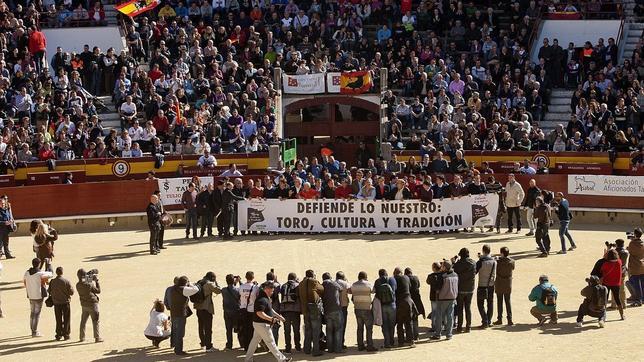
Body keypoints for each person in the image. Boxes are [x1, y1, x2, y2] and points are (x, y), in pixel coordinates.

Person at [245, 282, 291, 362]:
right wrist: (271, 319)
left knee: (254, 342)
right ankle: (282, 360)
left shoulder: (264, 298)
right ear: (267, 289)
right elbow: (259, 313)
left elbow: (270, 310)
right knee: (271, 342)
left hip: (258, 324)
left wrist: (279, 317)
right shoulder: (262, 299)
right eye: (271, 291)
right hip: (262, 324)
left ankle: (248, 359)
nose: (272, 292)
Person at [167, 275, 199, 355]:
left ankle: (175, 346)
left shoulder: (172, 289)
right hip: (180, 314)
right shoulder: (183, 289)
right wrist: (190, 283)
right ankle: (178, 350)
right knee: (180, 333)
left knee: (175, 330)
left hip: (174, 312)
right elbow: (196, 289)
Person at [24, 257, 53, 337]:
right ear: (39, 264)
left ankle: (32, 330)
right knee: (36, 314)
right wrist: (49, 264)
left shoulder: (27, 272)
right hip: (38, 296)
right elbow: (51, 274)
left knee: (32, 313)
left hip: (30, 295)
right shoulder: (40, 274)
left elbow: (24, 281)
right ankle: (34, 331)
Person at [298, 269, 324, 356]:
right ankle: (316, 350)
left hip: (305, 309)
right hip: (314, 308)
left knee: (308, 329)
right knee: (316, 330)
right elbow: (322, 289)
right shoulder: (314, 281)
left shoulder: (301, 283)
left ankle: (307, 349)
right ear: (313, 275)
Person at [194, 271, 222, 352]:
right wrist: (215, 282)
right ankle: (209, 346)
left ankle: (203, 343)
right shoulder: (209, 284)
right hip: (206, 308)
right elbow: (218, 291)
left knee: (201, 326)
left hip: (198, 307)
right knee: (208, 328)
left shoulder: (199, 282)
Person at [350, 271, 377, 352]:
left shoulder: (354, 284)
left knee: (360, 328)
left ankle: (360, 345)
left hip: (357, 308)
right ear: (365, 277)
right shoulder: (368, 284)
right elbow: (373, 291)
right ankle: (369, 345)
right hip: (366, 308)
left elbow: (350, 292)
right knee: (369, 328)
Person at [431, 261, 458, 341]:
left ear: (445, 267)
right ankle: (449, 334)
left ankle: (438, 334)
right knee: (450, 316)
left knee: (439, 316)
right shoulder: (456, 275)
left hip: (442, 298)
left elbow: (438, 287)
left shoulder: (443, 276)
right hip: (452, 297)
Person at [76, 268, 103, 343]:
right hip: (92, 304)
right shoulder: (89, 284)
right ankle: (97, 337)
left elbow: (84, 282)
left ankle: (82, 337)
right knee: (95, 321)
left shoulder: (77, 285)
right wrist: (97, 281)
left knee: (83, 322)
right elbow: (98, 291)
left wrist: (89, 277)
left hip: (84, 305)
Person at [453, 248, 476, 333]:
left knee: (460, 308)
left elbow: (454, 271)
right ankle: (468, 326)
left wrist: (454, 262)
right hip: (470, 288)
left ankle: (459, 327)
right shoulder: (473, 263)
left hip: (461, 288)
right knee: (468, 308)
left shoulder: (458, 264)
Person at [48, 266, 74, 341]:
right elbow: (71, 292)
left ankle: (58, 334)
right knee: (66, 319)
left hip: (56, 303)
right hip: (65, 302)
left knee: (58, 319)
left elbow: (49, 291)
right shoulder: (66, 281)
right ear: (62, 272)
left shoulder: (52, 281)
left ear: (56, 272)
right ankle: (66, 334)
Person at [374, 268, 396, 349]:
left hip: (382, 306)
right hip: (392, 304)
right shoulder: (392, 279)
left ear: (379, 275)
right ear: (386, 273)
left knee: (385, 325)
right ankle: (392, 341)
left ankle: (387, 342)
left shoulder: (377, 281)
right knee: (392, 324)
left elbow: (376, 292)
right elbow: (395, 290)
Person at [321, 272, 343, 353]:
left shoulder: (322, 285)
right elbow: (341, 289)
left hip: (327, 311)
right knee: (338, 329)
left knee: (329, 330)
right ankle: (338, 349)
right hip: (336, 309)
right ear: (330, 277)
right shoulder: (334, 283)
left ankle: (330, 349)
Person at [393, 267, 415, 346]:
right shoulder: (406, 278)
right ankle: (411, 341)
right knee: (408, 322)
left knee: (399, 323)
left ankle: (401, 342)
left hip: (399, 302)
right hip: (408, 301)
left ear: (394, 273)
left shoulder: (394, 279)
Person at [600, 249, 625, 320]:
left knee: (605, 299)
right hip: (616, 283)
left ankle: (602, 316)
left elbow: (602, 270)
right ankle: (622, 315)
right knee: (617, 299)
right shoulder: (619, 262)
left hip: (606, 283)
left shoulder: (606, 264)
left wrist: (604, 255)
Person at [280, 272, 301, 353]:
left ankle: (288, 348)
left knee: (287, 331)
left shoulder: (283, 286)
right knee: (296, 330)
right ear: (295, 278)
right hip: (295, 311)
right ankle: (298, 347)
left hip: (285, 311)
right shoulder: (297, 285)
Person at [476, 244, 496, 328]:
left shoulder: (480, 262)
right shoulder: (494, 261)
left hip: (482, 285)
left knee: (480, 304)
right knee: (490, 303)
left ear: (483, 251)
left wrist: (480, 258)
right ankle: (489, 320)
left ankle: (485, 320)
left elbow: (475, 272)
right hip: (491, 284)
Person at [494, 247, 515, 326]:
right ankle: (509, 319)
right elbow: (512, 267)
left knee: (499, 302)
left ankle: (499, 319)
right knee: (508, 301)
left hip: (499, 283)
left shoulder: (498, 262)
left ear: (502, 253)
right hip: (507, 284)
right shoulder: (512, 261)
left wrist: (498, 258)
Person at [239, 271, 259, 351]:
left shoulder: (241, 286)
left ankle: (246, 346)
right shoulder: (255, 287)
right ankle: (253, 347)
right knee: (252, 330)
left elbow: (240, 295)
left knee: (245, 329)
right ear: (253, 277)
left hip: (243, 309)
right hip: (251, 310)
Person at [404, 268, 425, 341]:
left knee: (408, 320)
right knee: (415, 319)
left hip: (409, 300)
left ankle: (409, 336)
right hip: (416, 301)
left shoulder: (405, 279)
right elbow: (418, 286)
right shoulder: (416, 278)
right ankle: (416, 336)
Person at [221, 274, 241, 350]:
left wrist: (234, 282)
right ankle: (242, 344)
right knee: (238, 328)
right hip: (236, 312)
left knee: (228, 330)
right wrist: (237, 281)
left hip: (227, 312)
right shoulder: (237, 290)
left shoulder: (223, 290)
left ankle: (229, 345)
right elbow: (235, 291)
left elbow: (230, 289)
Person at [627, 228, 643, 306]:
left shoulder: (632, 243)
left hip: (635, 266)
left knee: (636, 284)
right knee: (642, 283)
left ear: (635, 234)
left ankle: (638, 300)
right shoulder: (643, 243)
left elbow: (630, 250)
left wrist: (632, 241)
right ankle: (642, 299)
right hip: (642, 265)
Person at [335, 271, 350, 350]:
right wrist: (346, 281)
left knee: (335, 327)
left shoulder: (333, 283)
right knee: (342, 326)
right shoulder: (345, 283)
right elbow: (350, 290)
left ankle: (335, 343)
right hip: (343, 307)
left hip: (334, 307)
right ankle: (341, 343)